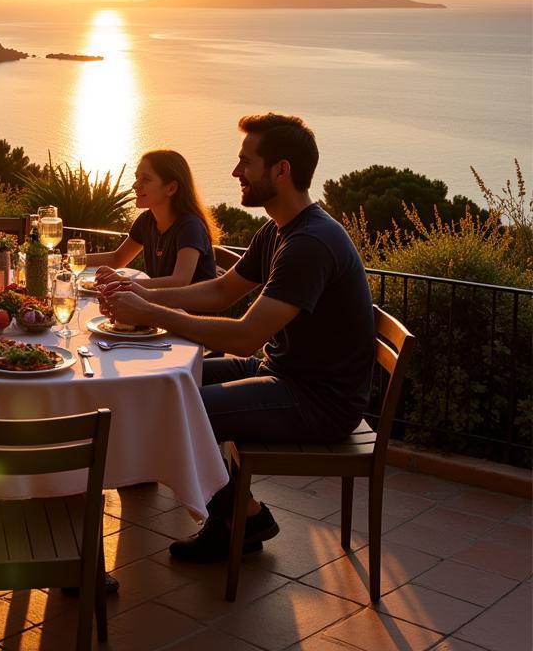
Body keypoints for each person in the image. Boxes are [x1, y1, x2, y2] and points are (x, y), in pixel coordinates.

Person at [101, 113, 375, 562]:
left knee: (181, 409)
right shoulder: (280, 229)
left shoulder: (310, 243)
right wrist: (142, 288)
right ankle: (240, 515)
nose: (235, 173)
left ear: (280, 171)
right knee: (163, 385)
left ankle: (241, 519)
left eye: (246, 162)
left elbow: (246, 336)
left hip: (318, 400)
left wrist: (150, 311)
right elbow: (222, 289)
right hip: (282, 371)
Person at [86, 149, 218, 287]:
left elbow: (180, 281)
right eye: (137, 178)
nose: (135, 185)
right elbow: (117, 258)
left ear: (171, 188)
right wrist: (69, 260)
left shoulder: (190, 226)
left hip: (188, 308)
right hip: (160, 304)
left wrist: (123, 282)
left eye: (146, 179)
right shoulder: (146, 220)